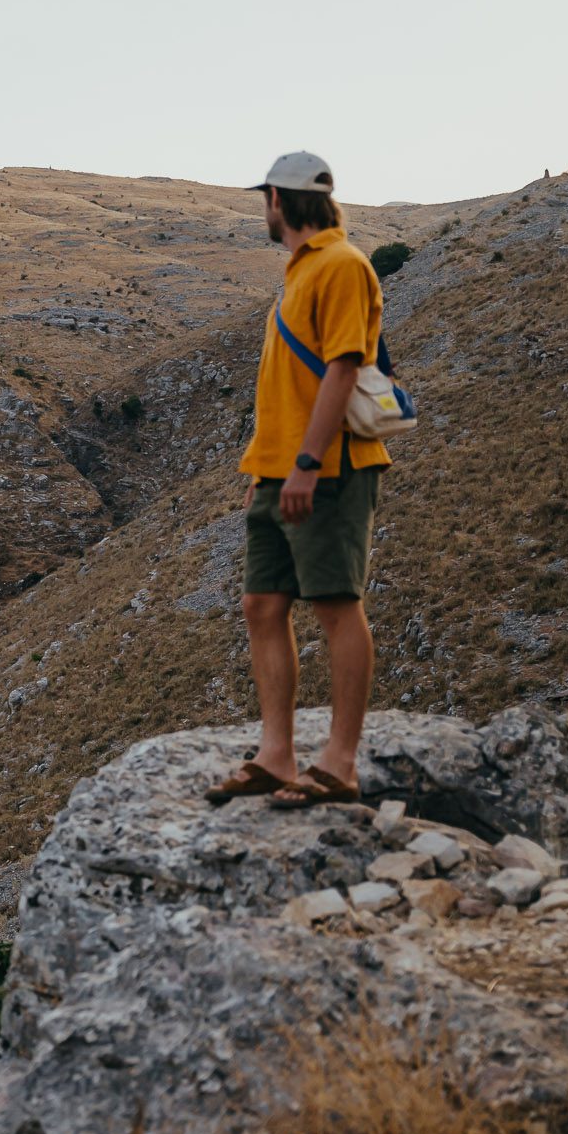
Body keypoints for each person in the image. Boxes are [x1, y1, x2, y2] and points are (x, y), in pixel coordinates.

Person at [205, 151, 389, 810]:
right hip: (278, 472)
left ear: (279, 202)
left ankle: (339, 762)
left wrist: (308, 463)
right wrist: (266, 468)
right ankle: (277, 754)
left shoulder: (342, 265)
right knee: (263, 606)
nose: (265, 210)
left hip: (329, 469)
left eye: (266, 200)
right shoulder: (302, 271)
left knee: (337, 606)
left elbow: (343, 369)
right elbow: (289, 386)